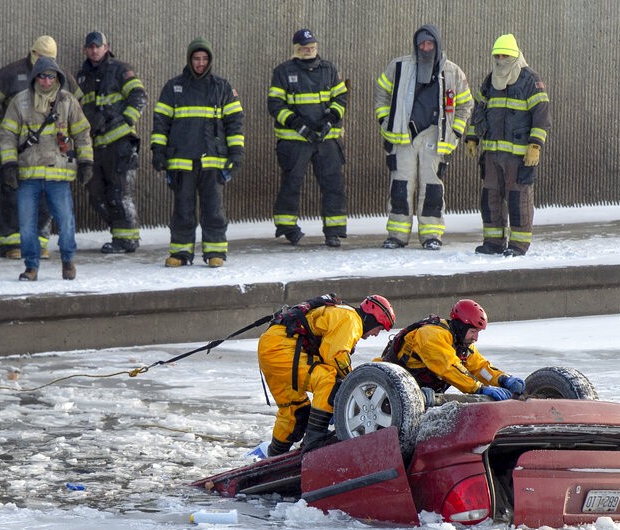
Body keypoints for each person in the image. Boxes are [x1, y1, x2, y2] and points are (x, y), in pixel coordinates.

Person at [260, 294, 396, 457]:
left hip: (270, 346)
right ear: (374, 319)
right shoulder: (351, 319)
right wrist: (353, 383)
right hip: (283, 348)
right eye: (379, 328)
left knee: (295, 411)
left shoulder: (342, 314)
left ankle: (273, 457)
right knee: (330, 380)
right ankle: (313, 443)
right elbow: (335, 355)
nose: (375, 334)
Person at [375, 24, 472, 251]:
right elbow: (381, 94)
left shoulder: (453, 72)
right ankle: (397, 235)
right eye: (421, 44)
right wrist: (385, 122)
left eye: (430, 44)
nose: (425, 48)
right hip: (403, 136)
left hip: (435, 137)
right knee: (400, 187)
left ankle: (431, 235)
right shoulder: (398, 67)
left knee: (432, 189)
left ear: (437, 45)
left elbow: (466, 105)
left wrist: (455, 133)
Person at [0, 55, 93, 282]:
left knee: (66, 222)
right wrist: (9, 164)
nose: (47, 81)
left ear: (57, 77)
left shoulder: (68, 102)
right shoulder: (20, 102)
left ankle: (68, 261)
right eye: (42, 76)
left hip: (58, 176)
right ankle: (31, 267)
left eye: (51, 76)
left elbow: (82, 134)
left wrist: (86, 162)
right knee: (27, 226)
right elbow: (7, 135)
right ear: (35, 77)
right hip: (28, 174)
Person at [150, 37, 243, 268]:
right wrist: (158, 151)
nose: (200, 63)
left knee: (213, 209)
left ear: (210, 61)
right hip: (182, 162)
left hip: (213, 162)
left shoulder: (222, 88)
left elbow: (235, 124)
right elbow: (161, 123)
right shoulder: (173, 88)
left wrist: (236, 154)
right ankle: (181, 252)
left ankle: (215, 252)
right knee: (183, 209)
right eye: (196, 59)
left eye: (204, 59)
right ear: (189, 60)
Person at [0, 35, 72, 259]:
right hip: (17, 149)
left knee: (43, 198)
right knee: (12, 194)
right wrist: (0, 133)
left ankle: (39, 243)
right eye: (41, 57)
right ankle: (11, 243)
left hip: (48, 152)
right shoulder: (11, 74)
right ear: (33, 53)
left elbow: (77, 106)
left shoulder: (63, 77)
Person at [465, 33, 552, 256]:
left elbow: (541, 115)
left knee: (518, 200)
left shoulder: (530, 80)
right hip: (493, 155)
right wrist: (472, 137)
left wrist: (535, 145)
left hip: (519, 156)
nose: (501, 60)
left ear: (515, 56)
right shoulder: (490, 80)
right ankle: (493, 242)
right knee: (490, 199)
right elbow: (479, 111)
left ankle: (518, 245)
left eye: (505, 56)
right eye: (497, 55)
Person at [268, 28, 349, 248]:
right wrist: (296, 124)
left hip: (326, 140)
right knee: (291, 184)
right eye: (304, 48)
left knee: (333, 184)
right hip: (295, 141)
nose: (309, 51)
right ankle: (287, 228)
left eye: (312, 47)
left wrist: (331, 118)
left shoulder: (329, 70)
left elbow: (341, 97)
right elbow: (275, 104)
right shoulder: (283, 71)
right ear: (296, 49)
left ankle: (334, 231)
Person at [76, 31, 147, 254]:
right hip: (95, 146)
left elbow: (139, 96)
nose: (94, 50)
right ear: (85, 50)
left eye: (99, 46)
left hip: (119, 145)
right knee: (97, 195)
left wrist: (122, 120)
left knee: (119, 194)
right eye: (90, 47)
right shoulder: (81, 77)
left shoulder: (120, 70)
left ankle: (127, 240)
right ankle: (119, 232)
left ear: (107, 48)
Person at [380, 299, 524, 401]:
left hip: (419, 392)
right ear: (462, 326)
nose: (476, 338)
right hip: (387, 388)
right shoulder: (431, 335)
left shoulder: (462, 343)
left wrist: (503, 379)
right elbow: (448, 367)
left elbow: (480, 368)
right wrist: (479, 388)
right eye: (474, 331)